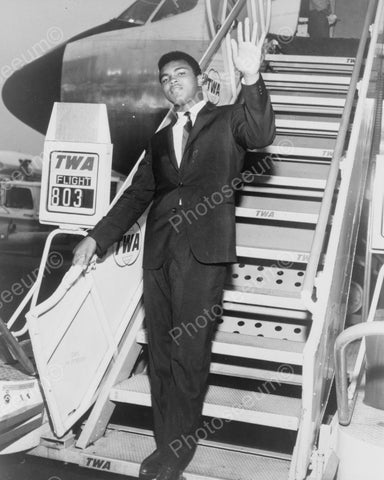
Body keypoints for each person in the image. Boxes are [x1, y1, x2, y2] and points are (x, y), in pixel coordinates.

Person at [72, 18, 275, 480]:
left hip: (204, 255)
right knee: (161, 353)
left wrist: (250, 78)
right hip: (160, 254)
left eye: (180, 74)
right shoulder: (160, 138)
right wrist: (95, 236)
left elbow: (261, 134)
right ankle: (166, 442)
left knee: (189, 351)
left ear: (199, 79)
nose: (171, 83)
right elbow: (138, 194)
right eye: (165, 79)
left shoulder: (227, 120)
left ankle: (177, 451)